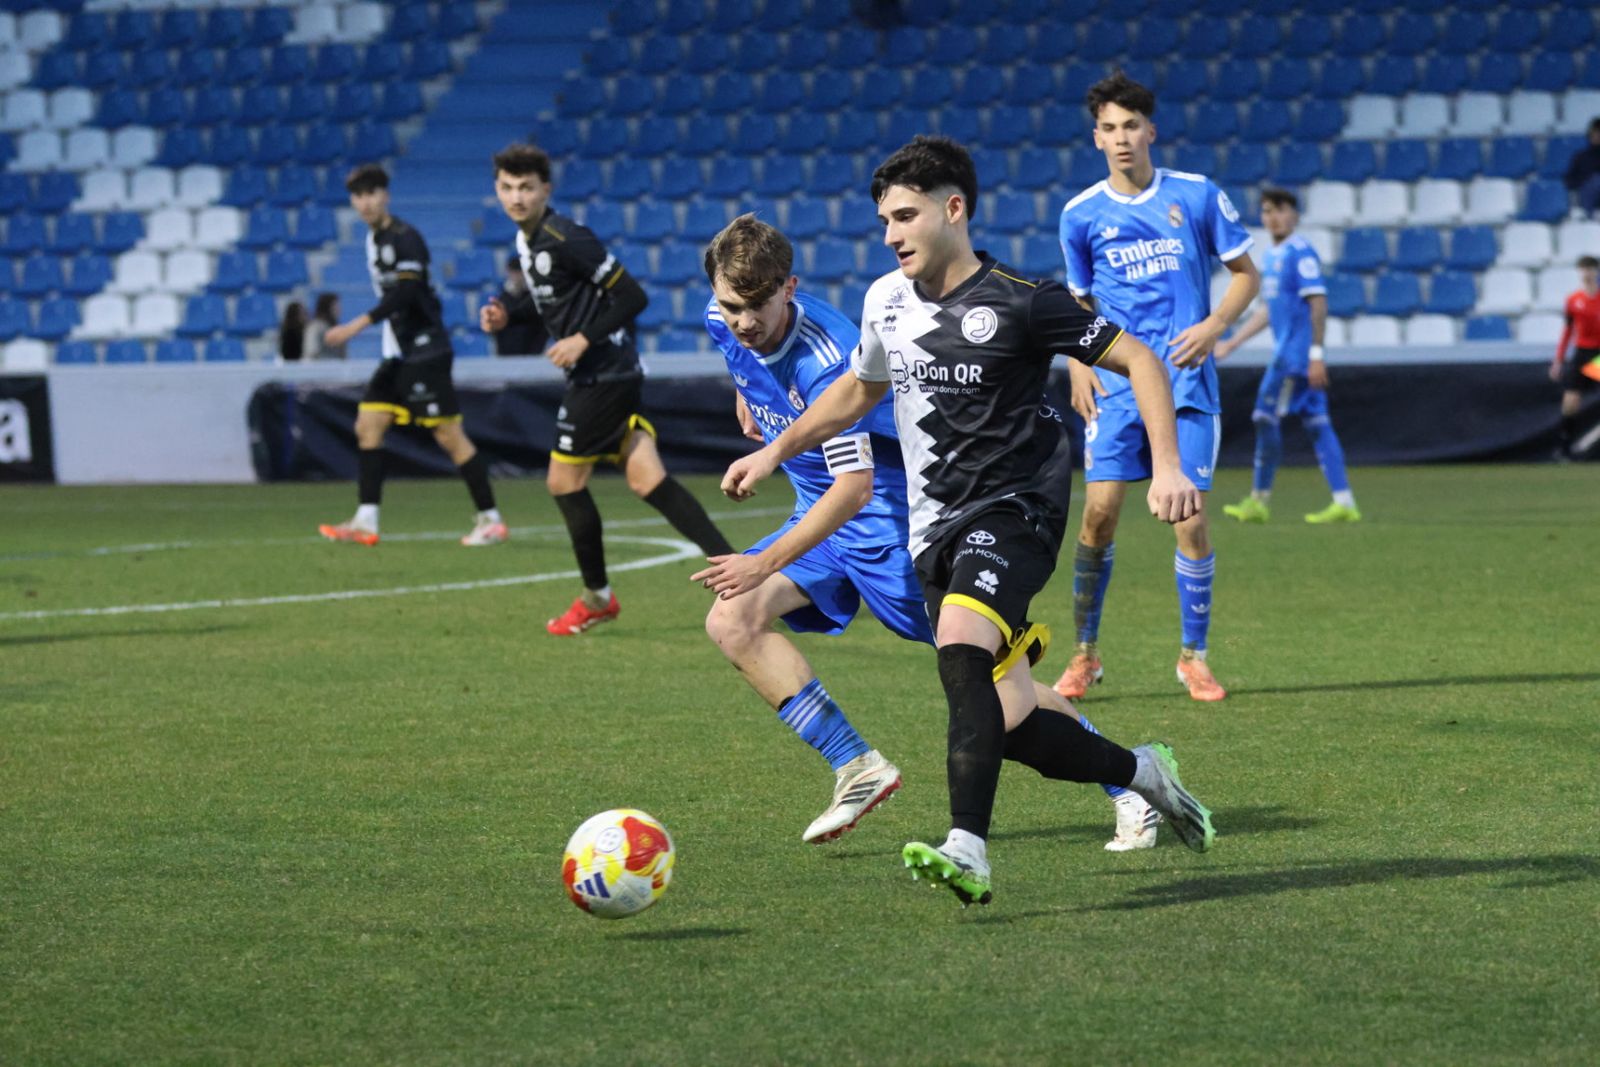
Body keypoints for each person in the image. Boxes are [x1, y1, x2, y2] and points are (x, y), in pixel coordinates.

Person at [721, 136, 1216, 906]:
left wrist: (1171, 465)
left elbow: (1143, 361)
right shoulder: (884, 299)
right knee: (1010, 722)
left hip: (1019, 507)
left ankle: (969, 847)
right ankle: (1138, 770)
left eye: (906, 215)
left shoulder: (1024, 297)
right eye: (885, 218)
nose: (891, 233)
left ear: (954, 209)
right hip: (933, 525)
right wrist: (775, 449)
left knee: (959, 645)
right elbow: (856, 394)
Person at [696, 214, 1154, 850]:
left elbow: (853, 490)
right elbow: (748, 367)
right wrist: (749, 398)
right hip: (818, 513)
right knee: (732, 620)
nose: (742, 321)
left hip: (884, 520)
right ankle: (857, 764)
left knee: (1001, 691)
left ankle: (1129, 783)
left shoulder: (826, 358)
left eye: (756, 306)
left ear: (789, 288)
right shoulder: (721, 321)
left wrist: (763, 561)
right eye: (730, 305)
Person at [1054, 71, 1261, 704]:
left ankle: (1193, 657)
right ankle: (1085, 654)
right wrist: (1079, 363)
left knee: (1190, 521)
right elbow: (1076, 299)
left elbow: (1247, 274)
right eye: (1109, 129)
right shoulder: (1080, 214)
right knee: (1098, 514)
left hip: (1187, 382)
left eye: (1131, 127)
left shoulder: (1196, 197)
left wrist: (1215, 324)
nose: (1121, 139)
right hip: (1116, 388)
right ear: (1097, 138)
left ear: (1152, 131)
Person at [479, 144, 734, 635]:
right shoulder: (527, 240)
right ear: (498, 190)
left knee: (563, 482)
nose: (517, 196)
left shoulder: (568, 237)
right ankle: (742, 574)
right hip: (602, 372)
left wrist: (581, 339)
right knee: (647, 481)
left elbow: (632, 296)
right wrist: (508, 315)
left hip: (606, 373)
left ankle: (597, 597)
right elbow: (553, 302)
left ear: (544, 190)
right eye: (508, 187)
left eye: (526, 187)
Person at [316, 165, 508, 549]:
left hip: (426, 349)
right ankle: (366, 520)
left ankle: (490, 519)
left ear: (386, 195)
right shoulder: (374, 240)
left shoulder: (407, 239)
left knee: (449, 435)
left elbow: (405, 293)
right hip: (399, 351)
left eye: (372, 193)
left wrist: (356, 326)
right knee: (368, 425)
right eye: (358, 195)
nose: (365, 202)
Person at [1214, 188, 1360, 523]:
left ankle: (1258, 501)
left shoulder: (1300, 251)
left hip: (1293, 358)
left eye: (1280, 210)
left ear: (1294, 215)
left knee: (1264, 417)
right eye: (1267, 211)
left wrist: (1316, 355)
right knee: (1317, 424)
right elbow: (1268, 311)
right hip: (1293, 354)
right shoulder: (1272, 257)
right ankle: (1345, 502)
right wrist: (1232, 343)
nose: (1273, 217)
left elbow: (1318, 302)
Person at [1550, 254, 1600, 460]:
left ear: (1596, 272)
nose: (1587, 273)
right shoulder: (1573, 300)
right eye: (1584, 269)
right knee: (1570, 400)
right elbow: (1567, 331)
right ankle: (1565, 447)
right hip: (1582, 352)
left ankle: (1589, 444)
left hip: (1599, 355)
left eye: (1591, 269)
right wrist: (1559, 359)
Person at [492, 255, 548, 356]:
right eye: (514, 272)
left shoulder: (534, 299)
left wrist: (536, 352)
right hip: (506, 356)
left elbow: (542, 328)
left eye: (520, 272)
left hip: (532, 356)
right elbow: (496, 328)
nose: (517, 276)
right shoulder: (502, 299)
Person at [1563, 118, 1600, 218]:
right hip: (1587, 193)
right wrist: (1584, 180)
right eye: (1594, 133)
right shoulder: (1581, 156)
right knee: (1593, 182)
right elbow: (1569, 180)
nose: (1597, 136)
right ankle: (1588, 218)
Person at [302, 293, 346, 360]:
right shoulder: (315, 327)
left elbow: (343, 357)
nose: (339, 309)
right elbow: (311, 353)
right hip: (318, 369)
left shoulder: (338, 329)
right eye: (336, 306)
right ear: (327, 307)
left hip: (336, 368)